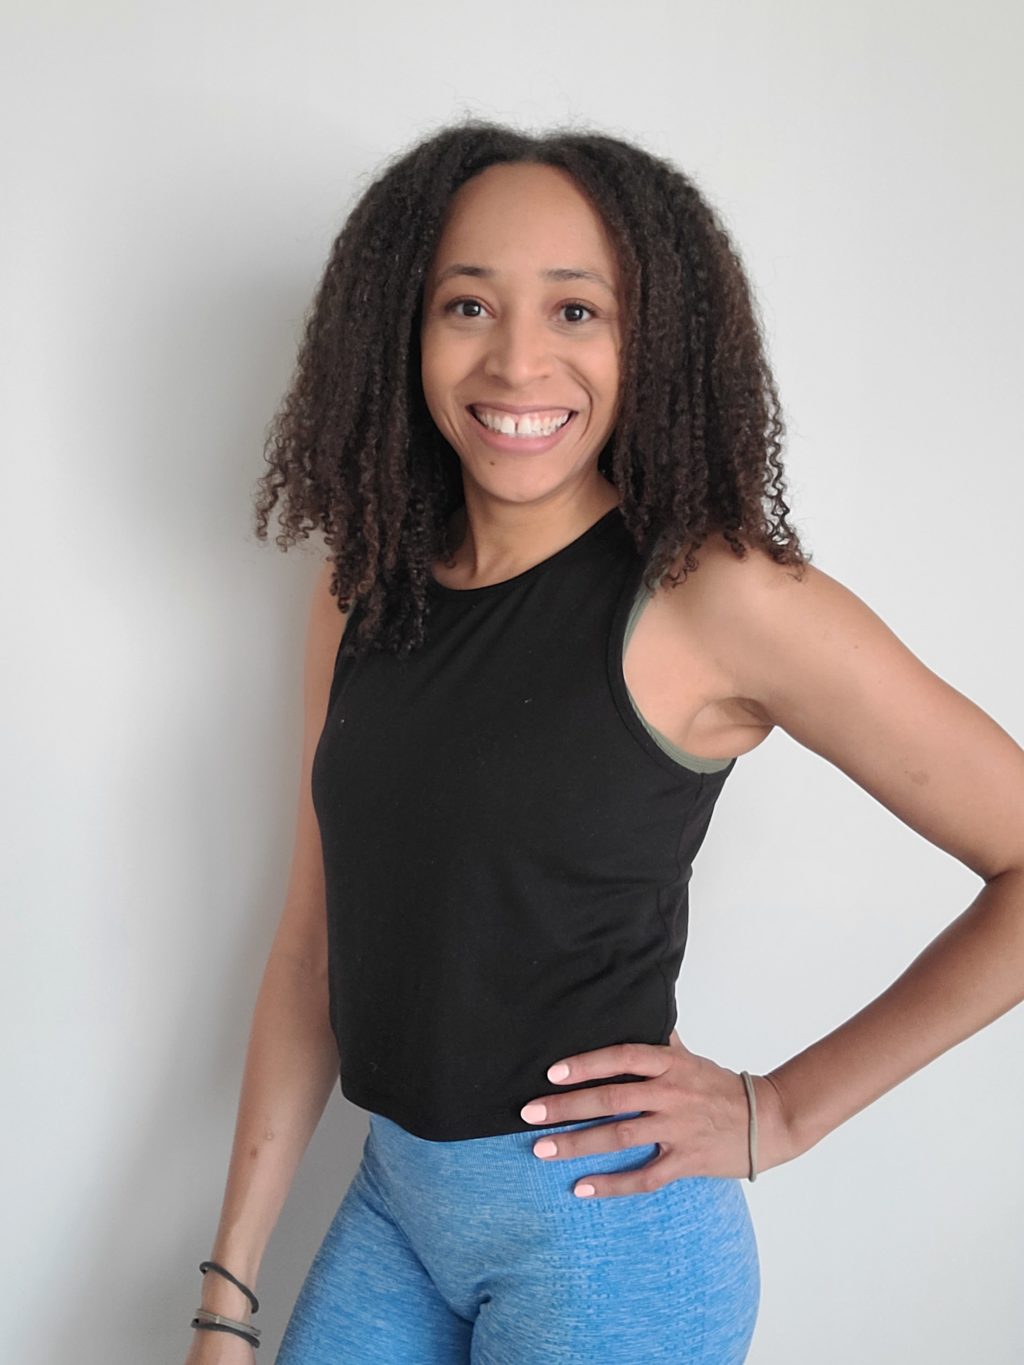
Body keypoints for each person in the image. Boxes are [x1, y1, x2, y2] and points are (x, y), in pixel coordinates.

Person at [183, 120, 1024, 1365]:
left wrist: (781, 1112)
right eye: (468, 304)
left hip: (610, 1242)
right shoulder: (362, 589)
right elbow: (311, 947)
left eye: (577, 311)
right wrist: (229, 1291)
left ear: (652, 342)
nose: (518, 361)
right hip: (395, 1209)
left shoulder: (714, 597)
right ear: (403, 328)